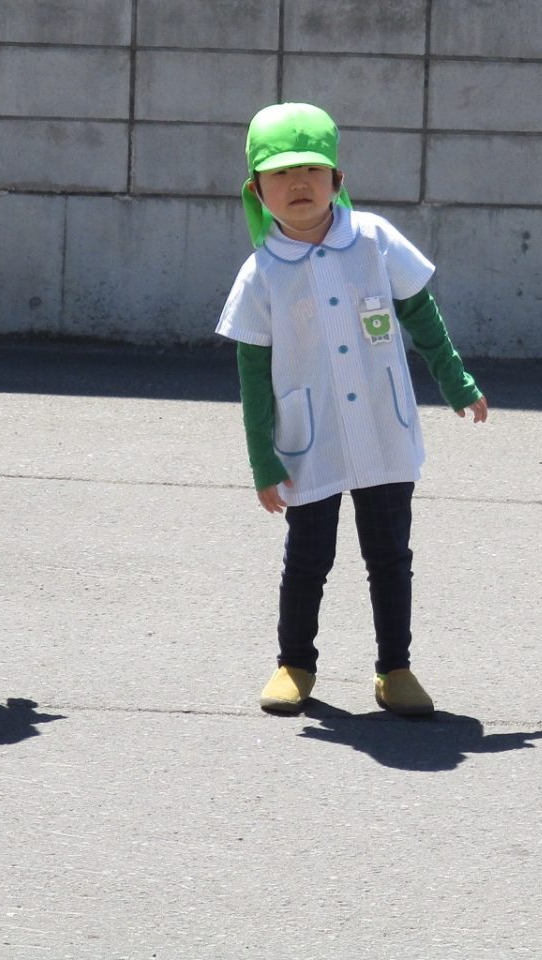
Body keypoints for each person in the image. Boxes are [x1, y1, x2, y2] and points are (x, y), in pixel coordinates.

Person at [215, 103, 486, 718]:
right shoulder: (261, 274)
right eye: (281, 174)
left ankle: (395, 668)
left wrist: (456, 380)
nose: (299, 184)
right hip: (310, 440)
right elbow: (252, 374)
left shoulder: (374, 240)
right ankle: (294, 663)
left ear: (338, 178)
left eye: (313, 169)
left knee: (390, 556)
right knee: (308, 558)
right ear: (256, 191)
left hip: (383, 431)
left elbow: (421, 315)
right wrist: (261, 459)